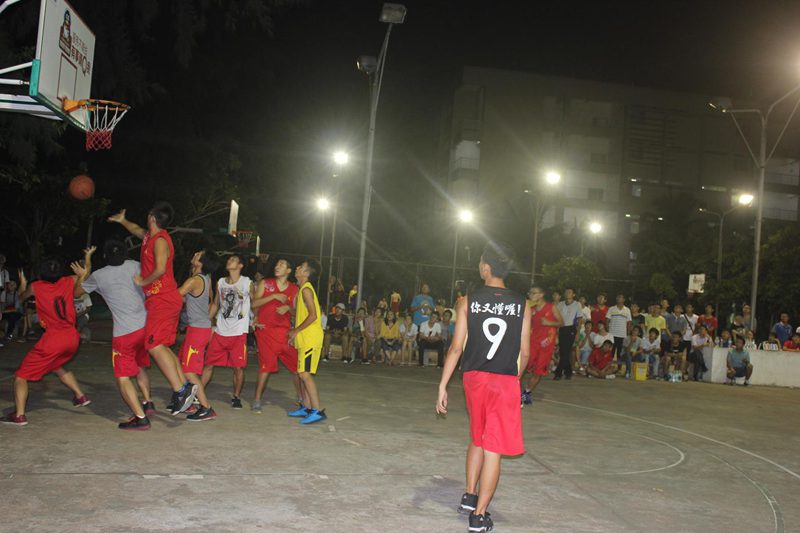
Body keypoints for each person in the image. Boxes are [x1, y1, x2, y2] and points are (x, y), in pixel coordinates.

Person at [436, 241, 530, 533]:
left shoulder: (467, 301)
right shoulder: (522, 304)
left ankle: (469, 495)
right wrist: (514, 378)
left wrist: (443, 386)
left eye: (480, 261)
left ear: (486, 267)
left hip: (474, 378)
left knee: (478, 437)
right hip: (503, 380)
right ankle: (479, 516)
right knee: (494, 449)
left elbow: (456, 348)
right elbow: (525, 352)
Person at [108, 205, 197, 414]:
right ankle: (184, 387)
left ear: (152, 218)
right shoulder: (150, 236)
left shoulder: (160, 241)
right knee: (161, 346)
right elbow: (136, 230)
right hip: (162, 300)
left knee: (154, 345)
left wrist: (142, 281)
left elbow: (160, 269)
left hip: (163, 299)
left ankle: (181, 390)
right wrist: (123, 220)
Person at [72, 242, 157, 429]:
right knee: (140, 366)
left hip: (124, 333)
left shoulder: (99, 275)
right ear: (126, 253)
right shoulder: (136, 266)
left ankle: (141, 418)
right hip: (145, 327)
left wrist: (82, 274)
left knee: (122, 377)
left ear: (105, 256)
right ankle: (148, 402)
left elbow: (76, 293)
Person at [1, 260, 90, 426]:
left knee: (21, 376)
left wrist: (23, 285)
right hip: (72, 337)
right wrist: (84, 272)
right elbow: (84, 278)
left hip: (53, 339)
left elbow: (20, 298)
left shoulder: (36, 286)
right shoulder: (69, 280)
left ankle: (19, 415)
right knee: (56, 365)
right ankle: (80, 396)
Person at [202, 254, 252, 409]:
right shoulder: (221, 282)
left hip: (239, 332)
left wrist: (256, 318)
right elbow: (216, 303)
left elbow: (256, 301)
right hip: (221, 330)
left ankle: (236, 397)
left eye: (233, 260)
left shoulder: (246, 282)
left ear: (241, 265)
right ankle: (198, 394)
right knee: (208, 364)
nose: (229, 261)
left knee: (238, 368)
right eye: (229, 259)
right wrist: (207, 320)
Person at [251, 258, 301, 411]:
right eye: (277, 264)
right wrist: (273, 297)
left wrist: (288, 309)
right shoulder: (265, 283)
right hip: (266, 331)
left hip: (284, 333)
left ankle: (301, 397)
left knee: (297, 368)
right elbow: (254, 304)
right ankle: (257, 399)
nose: (277, 266)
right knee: (265, 367)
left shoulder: (294, 289)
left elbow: (297, 312)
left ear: (288, 271)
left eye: (281, 265)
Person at [175, 249, 219, 421]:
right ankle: (189, 402)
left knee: (189, 370)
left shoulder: (194, 280)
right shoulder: (206, 278)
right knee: (181, 364)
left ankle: (206, 408)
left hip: (198, 331)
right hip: (198, 329)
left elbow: (174, 296)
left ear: (202, 262)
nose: (194, 254)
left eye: (198, 255)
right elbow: (199, 299)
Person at [287, 259, 326, 425]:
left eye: (301, 267)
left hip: (311, 338)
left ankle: (317, 411)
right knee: (301, 373)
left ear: (306, 273)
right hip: (304, 339)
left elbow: (313, 315)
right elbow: (302, 314)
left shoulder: (307, 290)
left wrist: (295, 330)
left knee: (304, 374)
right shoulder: (302, 289)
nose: (297, 267)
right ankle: (307, 407)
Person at [521, 286, 562, 406]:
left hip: (546, 346)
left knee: (538, 371)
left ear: (541, 294)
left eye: (533, 293)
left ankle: (527, 392)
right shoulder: (530, 308)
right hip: (532, 343)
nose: (530, 295)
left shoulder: (551, 307)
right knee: (523, 368)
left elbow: (561, 322)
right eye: (530, 293)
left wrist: (550, 323)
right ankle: (515, 390)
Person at [555, 287, 581, 380]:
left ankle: (558, 373)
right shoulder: (560, 304)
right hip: (562, 329)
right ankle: (568, 372)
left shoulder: (577, 304)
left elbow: (579, 319)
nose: (567, 293)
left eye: (569, 292)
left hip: (571, 329)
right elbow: (557, 317)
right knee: (563, 352)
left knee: (566, 351)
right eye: (566, 292)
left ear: (573, 294)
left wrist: (578, 333)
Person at [606, 294, 631, 361]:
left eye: (620, 297)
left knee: (620, 353)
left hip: (622, 335)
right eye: (617, 297)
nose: (618, 298)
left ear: (624, 300)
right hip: (612, 334)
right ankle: (609, 365)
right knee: (611, 351)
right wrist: (608, 332)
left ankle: (619, 366)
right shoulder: (611, 308)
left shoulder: (627, 310)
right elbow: (607, 320)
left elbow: (629, 323)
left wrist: (628, 334)